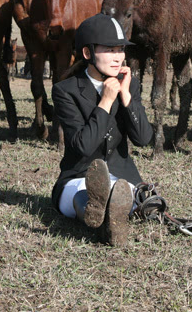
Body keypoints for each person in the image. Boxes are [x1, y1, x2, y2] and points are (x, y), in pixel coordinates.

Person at [51, 13, 154, 246]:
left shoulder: (130, 84)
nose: (118, 57)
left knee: (127, 195)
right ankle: (101, 214)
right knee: (83, 196)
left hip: (121, 179)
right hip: (78, 176)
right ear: (87, 53)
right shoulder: (65, 90)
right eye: (109, 50)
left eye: (120, 50)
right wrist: (106, 101)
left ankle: (110, 218)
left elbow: (143, 139)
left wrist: (126, 97)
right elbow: (83, 146)